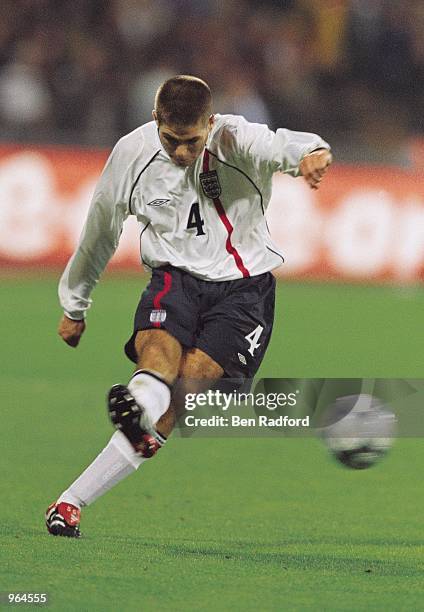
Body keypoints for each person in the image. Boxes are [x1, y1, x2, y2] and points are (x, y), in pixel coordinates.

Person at [45, 75, 332, 537]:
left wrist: (313, 154)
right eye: (171, 140)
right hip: (173, 279)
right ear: (156, 119)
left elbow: (286, 145)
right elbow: (101, 228)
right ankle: (72, 500)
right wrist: (74, 304)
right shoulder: (132, 154)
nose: (181, 152)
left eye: (192, 141)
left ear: (210, 123)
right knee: (157, 359)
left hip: (243, 290)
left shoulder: (236, 137)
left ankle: (103, 458)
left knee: (185, 389)